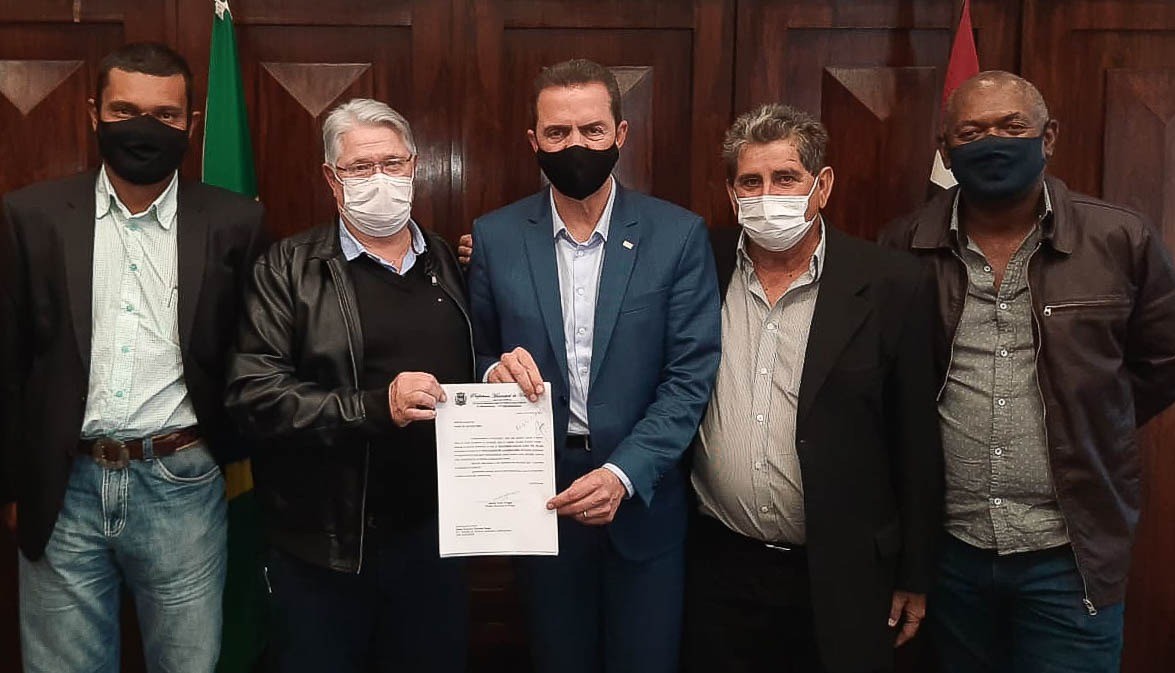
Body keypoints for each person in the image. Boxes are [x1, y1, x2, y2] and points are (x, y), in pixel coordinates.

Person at [880, 70, 1175, 673]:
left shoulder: (1121, 238)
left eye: (1012, 126)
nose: (993, 141)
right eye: (972, 131)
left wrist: (1091, 417)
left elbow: (1162, 361)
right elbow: (886, 382)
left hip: (1068, 556)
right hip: (948, 552)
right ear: (945, 151)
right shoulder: (902, 243)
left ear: (1048, 137)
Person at [0, 42, 266, 673]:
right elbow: (7, 362)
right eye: (126, 110)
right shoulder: (29, 216)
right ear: (94, 113)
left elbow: (253, 352)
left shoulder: (236, 222)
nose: (145, 128)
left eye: (165, 116)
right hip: (62, 488)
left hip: (182, 483)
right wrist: (12, 484)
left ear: (191, 123)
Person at [466, 59, 722, 673]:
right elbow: (473, 352)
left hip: (645, 499)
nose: (574, 145)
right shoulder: (495, 236)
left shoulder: (678, 235)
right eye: (557, 133)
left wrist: (623, 473)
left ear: (620, 135)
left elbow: (690, 376)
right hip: (539, 497)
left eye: (591, 130)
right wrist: (489, 376)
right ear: (534, 142)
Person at [684, 103, 943, 673]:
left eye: (786, 178)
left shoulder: (891, 284)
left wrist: (915, 575)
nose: (767, 194)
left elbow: (918, 442)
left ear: (821, 185)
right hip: (719, 566)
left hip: (844, 572)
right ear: (731, 194)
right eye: (751, 181)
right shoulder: (697, 264)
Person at [225, 99, 471, 673]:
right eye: (361, 168)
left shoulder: (448, 260)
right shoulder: (286, 268)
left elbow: (474, 364)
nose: (379, 179)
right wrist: (372, 407)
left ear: (415, 167)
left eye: (393, 163)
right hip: (326, 551)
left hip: (436, 543)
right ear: (332, 180)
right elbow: (253, 397)